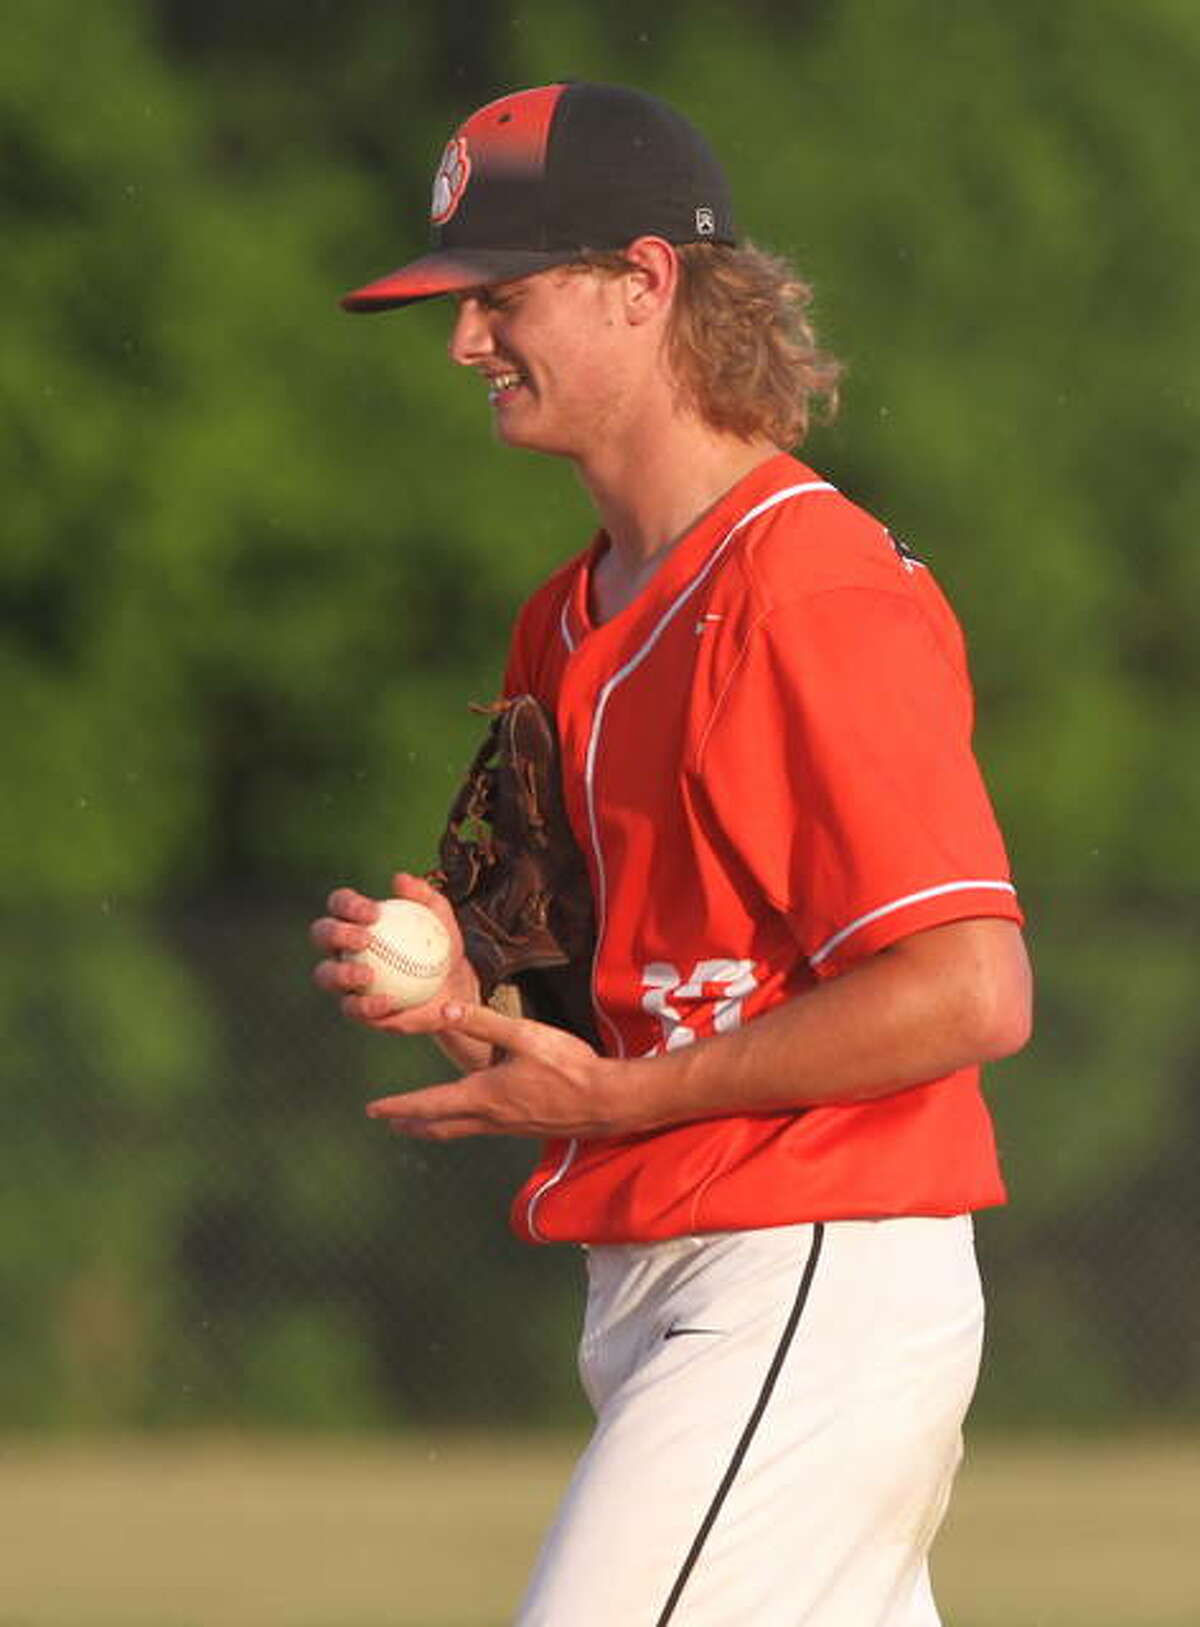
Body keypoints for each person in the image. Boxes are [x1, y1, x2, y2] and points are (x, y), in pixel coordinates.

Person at [310, 81, 1032, 1627]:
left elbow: (972, 989)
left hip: (812, 1268)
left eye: (499, 297)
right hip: (663, 1286)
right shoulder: (559, 622)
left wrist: (625, 1097)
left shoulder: (810, 589)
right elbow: (571, 991)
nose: (462, 342)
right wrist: (471, 999)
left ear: (643, 283)